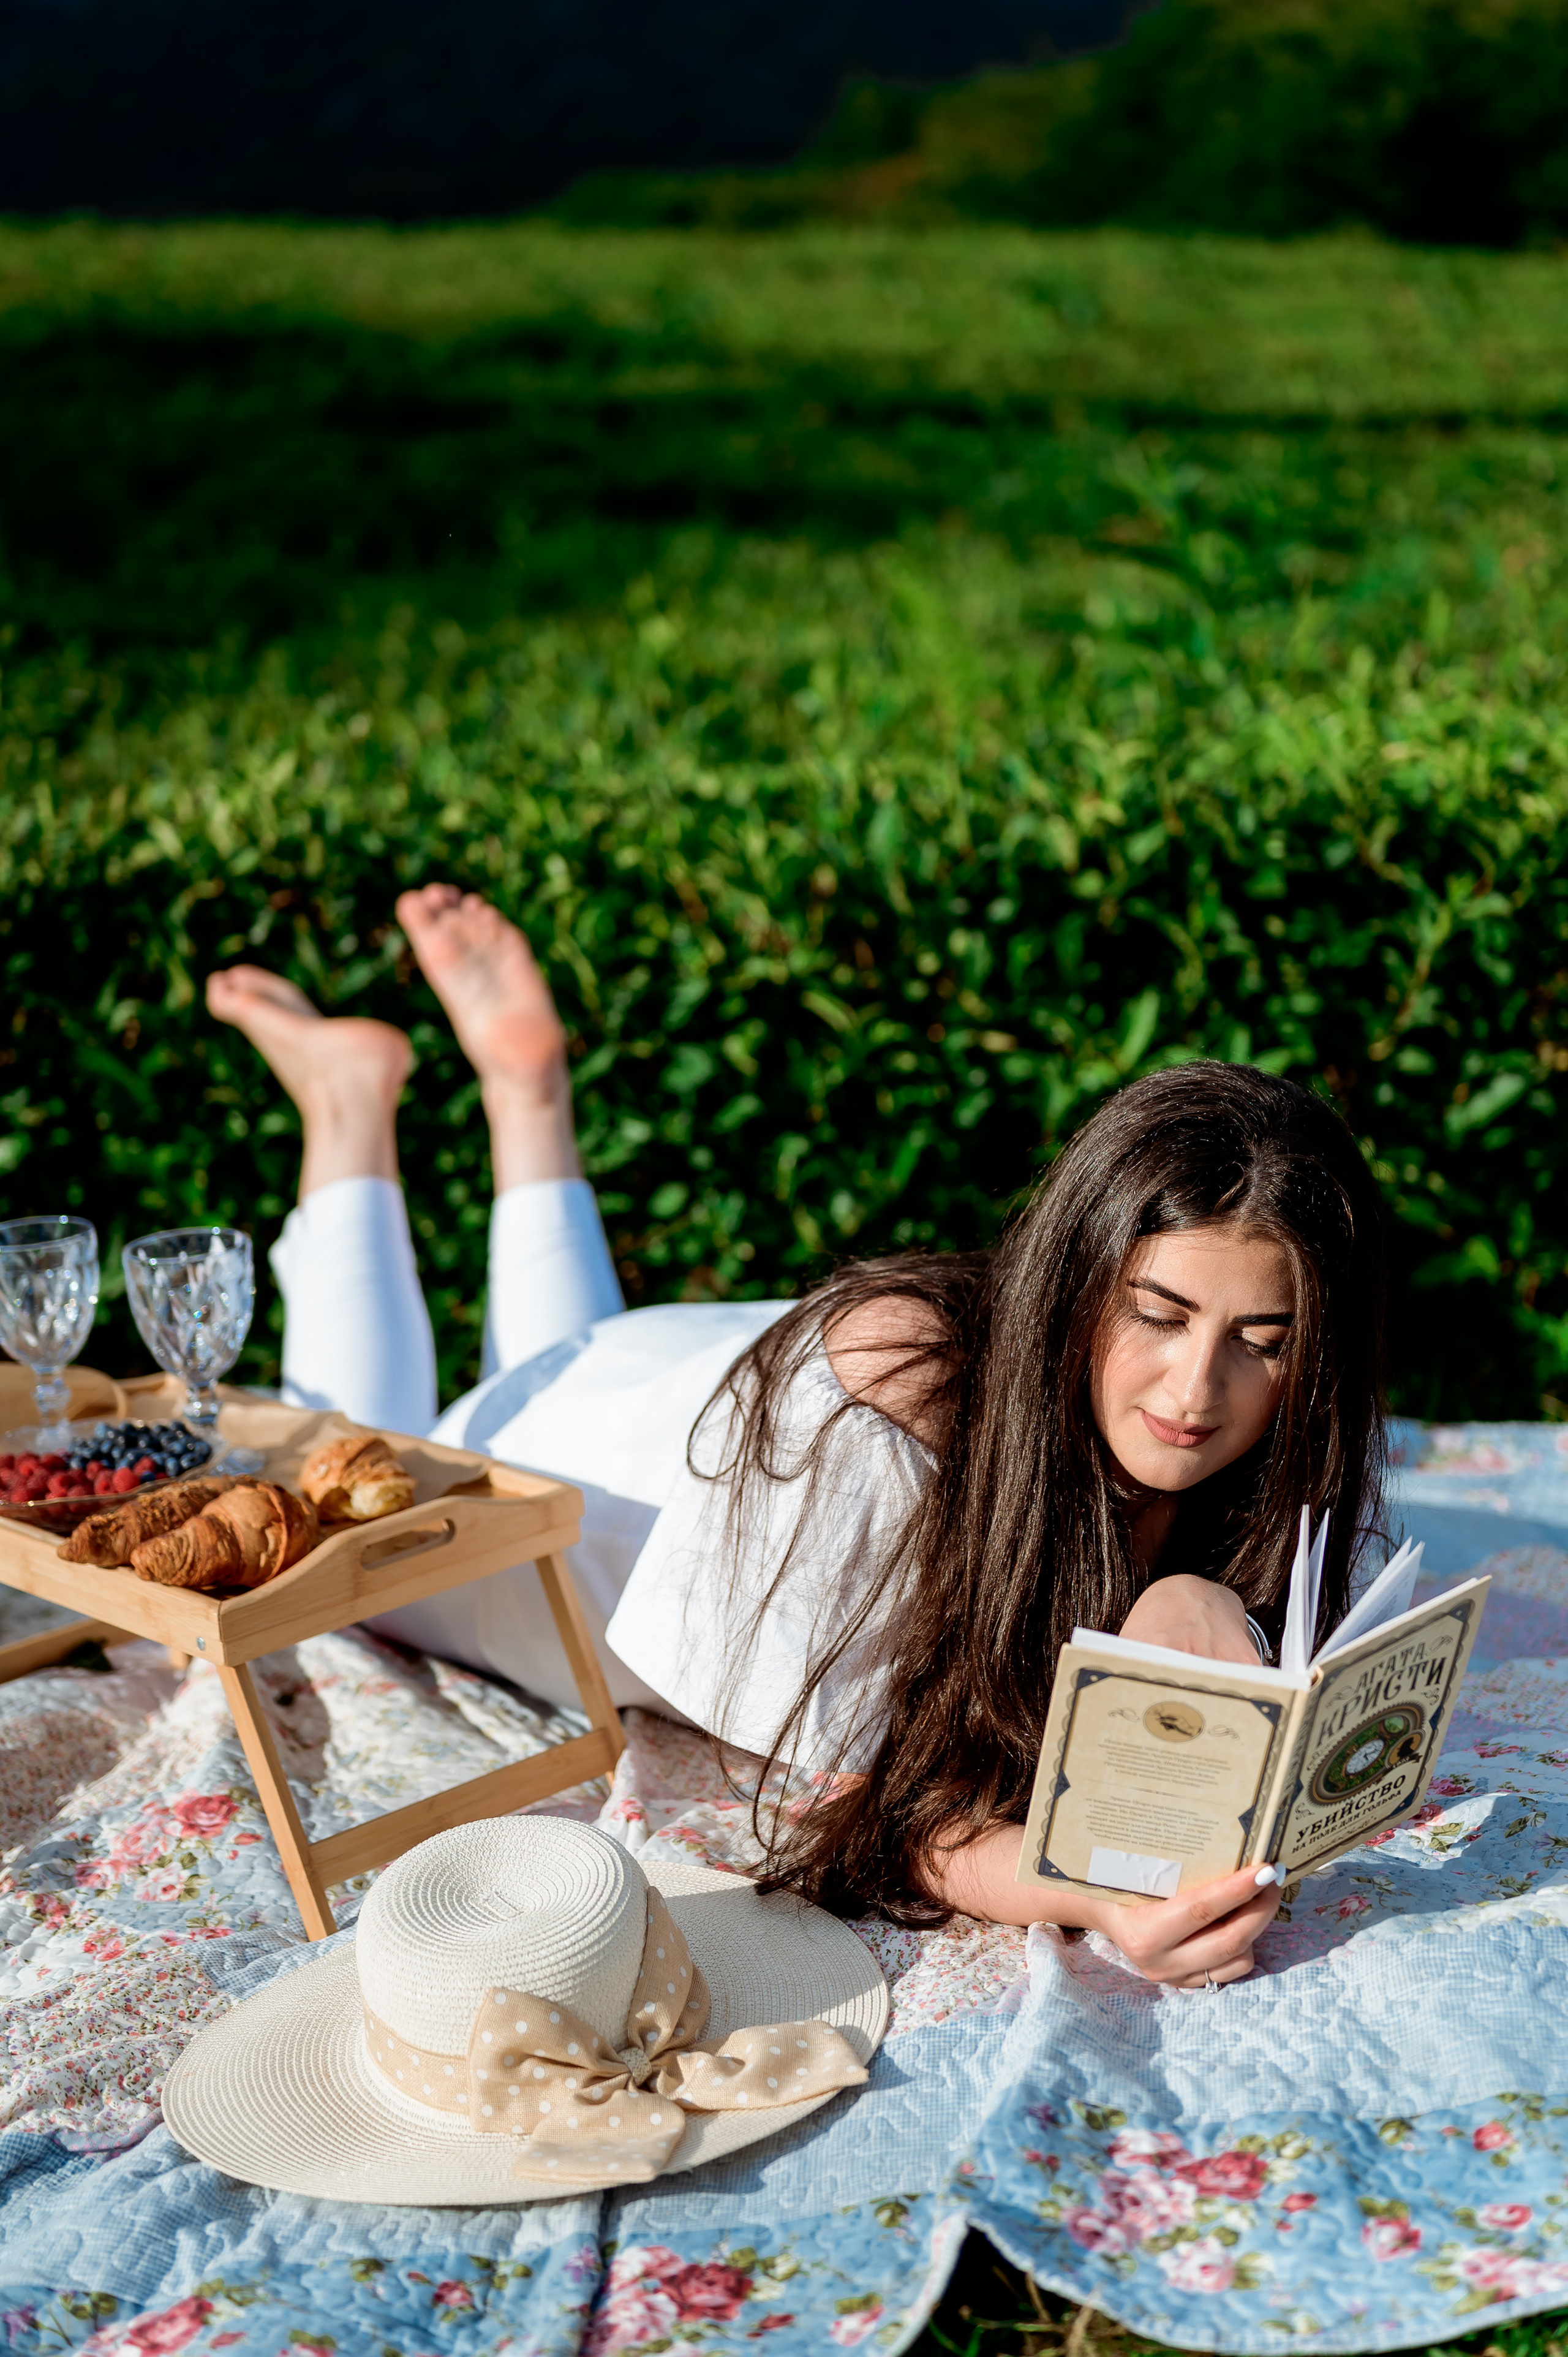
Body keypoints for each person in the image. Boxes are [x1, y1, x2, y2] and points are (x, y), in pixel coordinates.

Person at [208, 884, 1390, 1991]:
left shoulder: (1262, 1447)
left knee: (574, 1349)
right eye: (1157, 1316)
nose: (1197, 1388)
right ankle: (347, 1109)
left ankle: (528, 1097)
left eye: (1266, 1340)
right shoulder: (901, 1398)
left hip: (677, 1374)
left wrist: (1190, 1595)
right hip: (588, 1509)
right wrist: (1092, 1895)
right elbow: (885, 1814)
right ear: (1079, 1279)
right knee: (352, 1468)